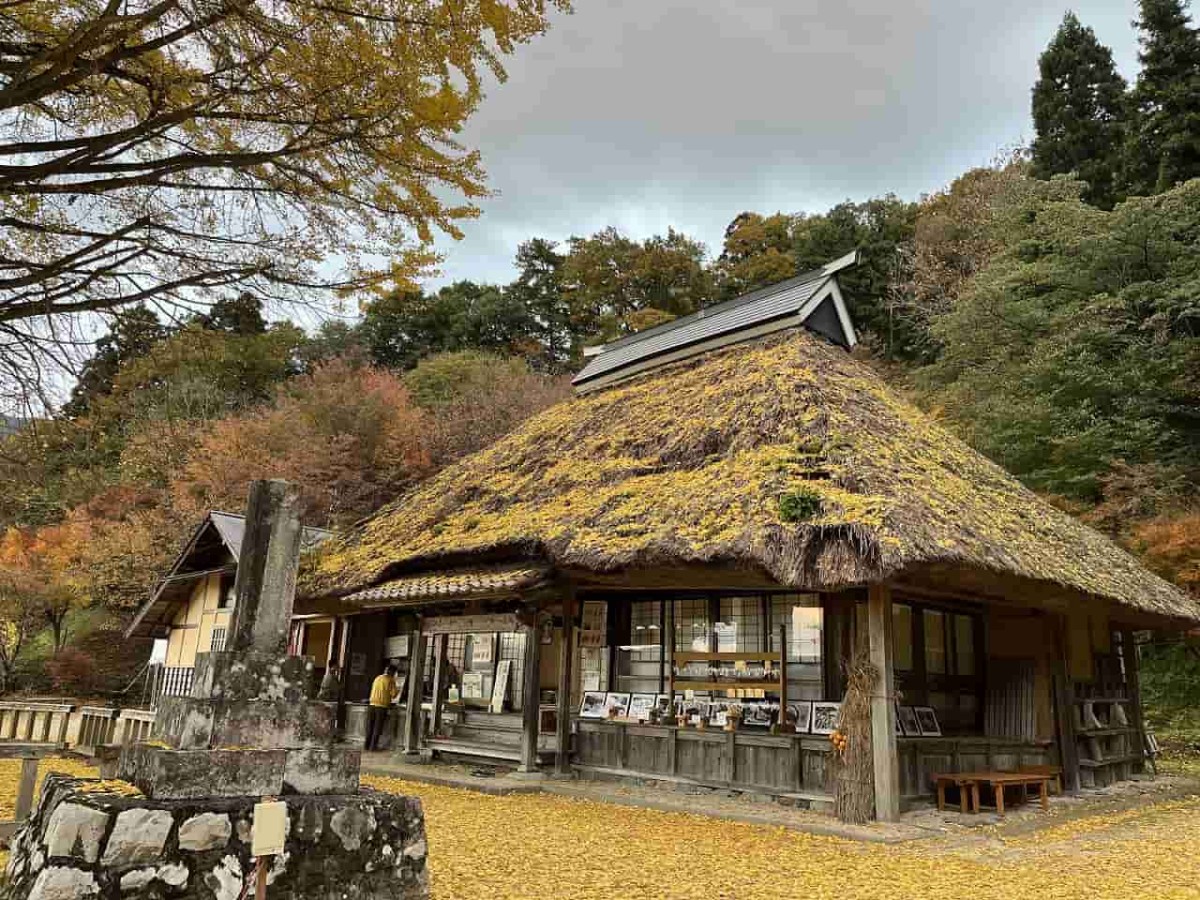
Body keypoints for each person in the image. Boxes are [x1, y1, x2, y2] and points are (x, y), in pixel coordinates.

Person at [365, 664, 398, 751]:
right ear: (392, 672)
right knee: (377, 728)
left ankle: (366, 746)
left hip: (371, 705)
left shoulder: (378, 678)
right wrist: (397, 688)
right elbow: (394, 695)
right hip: (381, 707)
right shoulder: (390, 680)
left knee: (370, 727)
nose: (394, 674)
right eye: (394, 673)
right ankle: (373, 747)